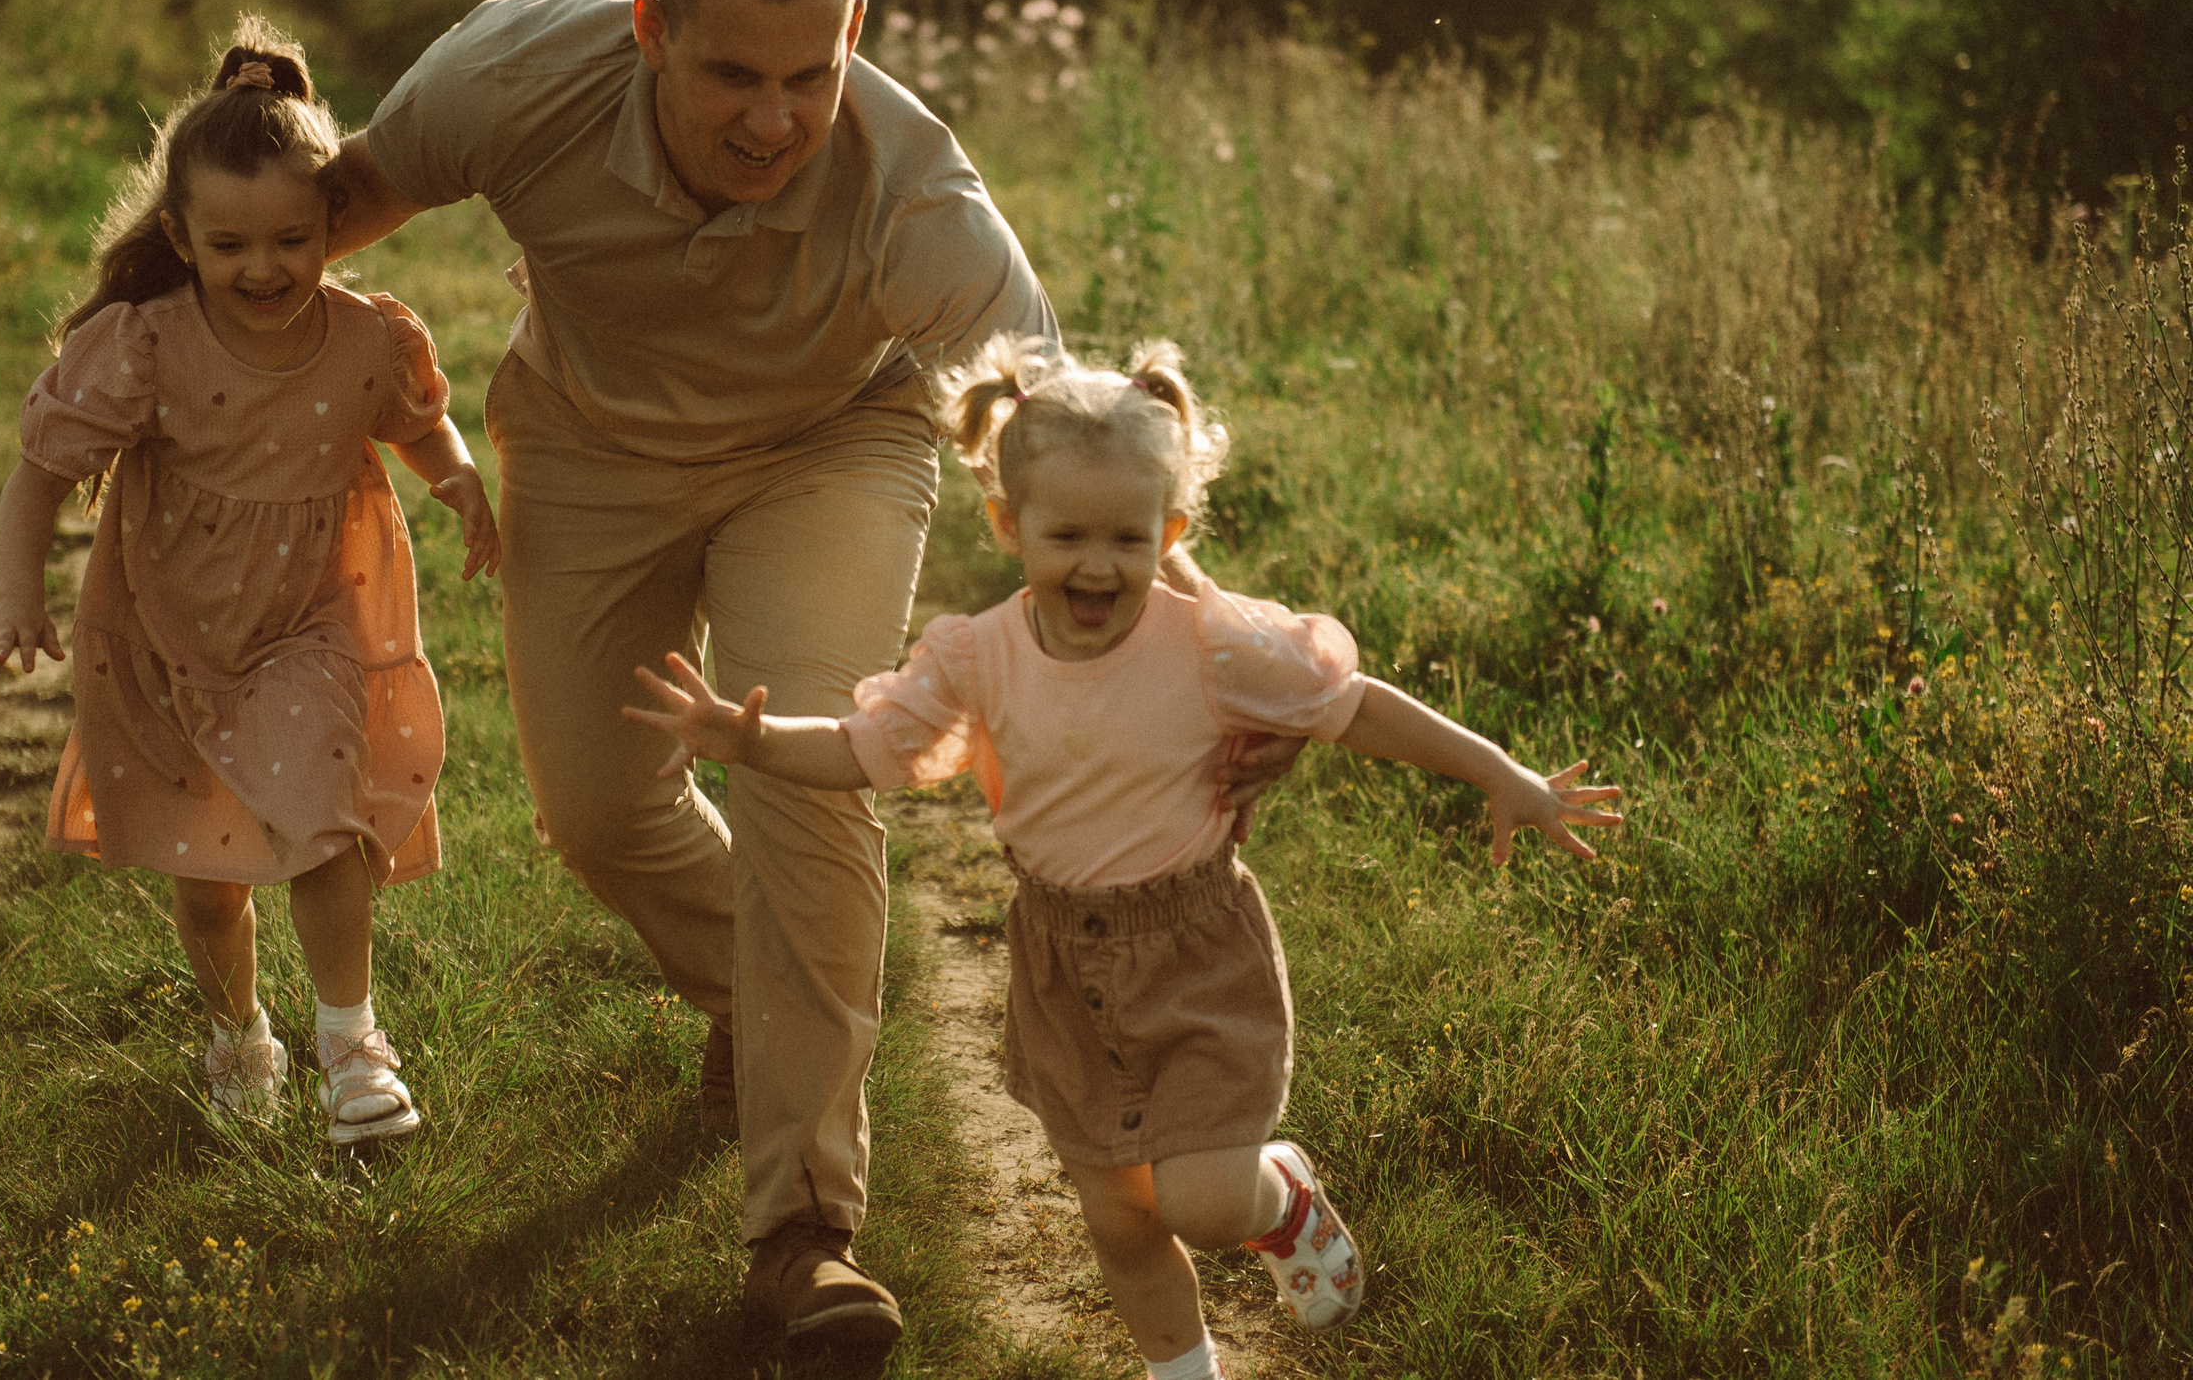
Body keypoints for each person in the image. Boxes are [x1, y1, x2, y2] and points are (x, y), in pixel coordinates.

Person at [322, 0, 1301, 1348]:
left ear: (853, 33)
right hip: (587, 442)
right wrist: (165, 358)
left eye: (809, 73)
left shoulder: (918, 196)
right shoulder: (517, 73)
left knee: (811, 786)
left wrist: (1225, 651)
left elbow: (1071, 432)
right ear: (650, 29)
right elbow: (328, 210)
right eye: (730, 75)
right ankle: (770, 997)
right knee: (595, 811)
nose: (774, 120)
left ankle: (803, 1234)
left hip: (827, 447)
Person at [627, 334, 1625, 1380]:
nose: (1096, 564)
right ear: (1009, 526)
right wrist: (753, 741)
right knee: (1120, 1216)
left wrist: (1498, 771)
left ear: (1172, 531)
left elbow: (1354, 707)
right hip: (1063, 964)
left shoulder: (1211, 646)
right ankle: (1184, 1369)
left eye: (1127, 537)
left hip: (1197, 949)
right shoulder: (978, 654)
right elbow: (870, 748)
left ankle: (1278, 1194)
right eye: (1066, 534)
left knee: (1198, 1197)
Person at [0, 20, 498, 1144]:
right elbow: (37, 474)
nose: (266, 268)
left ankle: (352, 1048)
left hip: (312, 620)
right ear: (182, 236)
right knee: (210, 878)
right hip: (167, 634)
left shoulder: (366, 338)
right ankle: (238, 1031)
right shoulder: (144, 343)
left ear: (333, 226)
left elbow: (421, 426)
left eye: (292, 240)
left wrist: (462, 484)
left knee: (325, 819)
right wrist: (18, 596)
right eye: (233, 244)